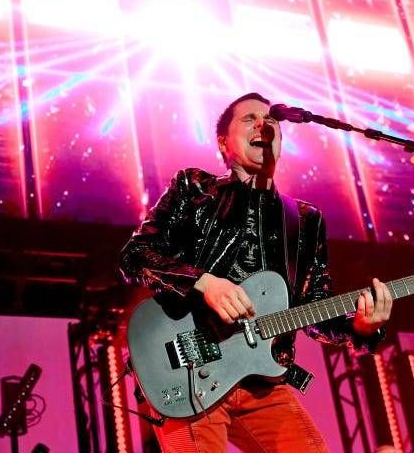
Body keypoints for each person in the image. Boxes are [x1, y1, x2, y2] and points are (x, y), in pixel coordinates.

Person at [120, 92, 393, 452]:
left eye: (271, 121)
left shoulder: (305, 220)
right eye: (249, 119)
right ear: (223, 143)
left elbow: (313, 308)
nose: (263, 125)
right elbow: (134, 256)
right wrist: (205, 283)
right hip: (190, 373)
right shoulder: (193, 190)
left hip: (263, 382)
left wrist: (360, 328)